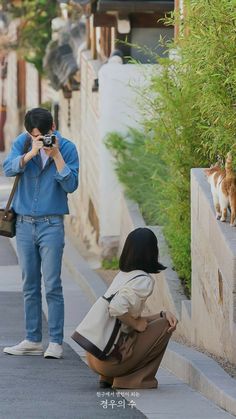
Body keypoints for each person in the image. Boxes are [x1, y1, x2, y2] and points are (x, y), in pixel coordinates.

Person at [3, 107, 79, 359]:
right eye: (34, 135)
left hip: (51, 224)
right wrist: (30, 154)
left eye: (43, 135)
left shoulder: (67, 148)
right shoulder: (22, 143)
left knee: (53, 284)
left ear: (53, 128)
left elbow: (71, 185)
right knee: (30, 285)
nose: (40, 139)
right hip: (24, 224)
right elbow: (8, 169)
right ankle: (33, 339)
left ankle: (56, 342)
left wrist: (56, 156)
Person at [86, 227, 178, 389]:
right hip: (112, 360)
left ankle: (107, 378)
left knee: (161, 320)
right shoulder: (143, 280)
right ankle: (133, 380)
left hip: (95, 355)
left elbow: (126, 315)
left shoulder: (124, 275)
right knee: (166, 325)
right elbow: (116, 309)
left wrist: (161, 314)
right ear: (151, 251)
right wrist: (137, 325)